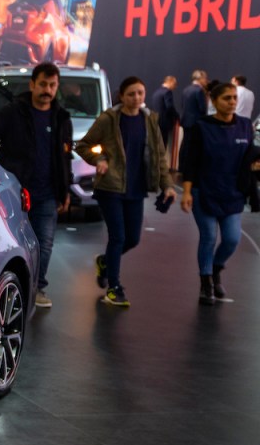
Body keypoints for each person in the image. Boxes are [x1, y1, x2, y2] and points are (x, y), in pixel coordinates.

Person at [0, 62, 73, 308]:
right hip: (16, 192)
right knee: (13, 242)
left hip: (49, 192)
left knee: (44, 243)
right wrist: (5, 169)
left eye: (52, 85)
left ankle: (37, 288)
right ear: (32, 84)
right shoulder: (12, 112)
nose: (47, 90)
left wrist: (66, 190)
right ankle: (10, 287)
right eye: (42, 84)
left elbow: (65, 157)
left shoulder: (62, 118)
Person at [75, 76, 177, 308]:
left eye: (140, 93)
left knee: (133, 239)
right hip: (110, 187)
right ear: (121, 95)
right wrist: (99, 158)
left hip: (136, 188)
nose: (136, 98)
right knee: (118, 237)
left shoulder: (150, 119)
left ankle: (104, 262)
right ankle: (114, 287)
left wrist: (168, 185)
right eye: (131, 94)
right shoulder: (109, 119)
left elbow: (160, 156)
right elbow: (82, 145)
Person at [179, 81, 260, 305]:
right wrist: (186, 192)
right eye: (227, 98)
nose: (232, 102)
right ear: (214, 102)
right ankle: (205, 283)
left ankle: (215, 269)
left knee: (232, 239)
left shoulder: (245, 126)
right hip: (203, 190)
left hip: (233, 191)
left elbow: (248, 155)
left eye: (234, 98)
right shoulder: (201, 127)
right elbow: (190, 162)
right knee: (209, 237)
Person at [150, 75, 178, 148]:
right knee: (162, 146)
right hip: (164, 123)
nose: (175, 87)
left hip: (155, 121)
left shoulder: (156, 92)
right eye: (174, 84)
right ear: (170, 82)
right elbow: (169, 107)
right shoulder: (167, 92)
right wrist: (176, 116)